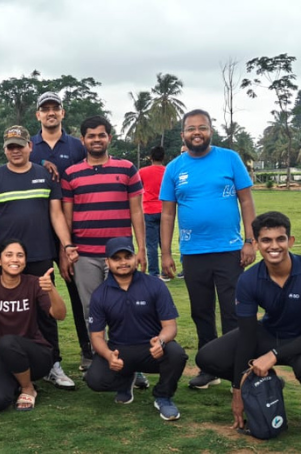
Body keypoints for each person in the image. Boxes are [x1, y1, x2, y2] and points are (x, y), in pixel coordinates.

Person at [195, 211, 301, 436]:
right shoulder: (248, 279)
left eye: (280, 239)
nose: (274, 246)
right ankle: (266, 381)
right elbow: (247, 335)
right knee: (208, 357)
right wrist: (238, 390)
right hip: (272, 332)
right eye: (266, 240)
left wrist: (273, 354)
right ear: (256, 244)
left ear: (290, 241)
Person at [159, 108, 256, 389]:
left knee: (232, 312)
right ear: (183, 134)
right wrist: (166, 253)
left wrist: (250, 241)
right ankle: (209, 367)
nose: (197, 133)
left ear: (211, 131)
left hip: (229, 250)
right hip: (193, 253)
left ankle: (238, 368)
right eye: (191, 129)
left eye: (202, 127)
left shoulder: (230, 158)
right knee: (201, 312)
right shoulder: (174, 168)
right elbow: (167, 213)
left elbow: (246, 201)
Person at [0, 125, 78, 390]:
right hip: (7, 259)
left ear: (30, 147)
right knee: (8, 310)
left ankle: (53, 364)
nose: (16, 151)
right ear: (5, 150)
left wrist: (67, 244)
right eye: (10, 147)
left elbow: (56, 214)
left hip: (40, 254)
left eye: (20, 146)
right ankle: (8, 362)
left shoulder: (45, 175)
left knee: (46, 311)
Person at [61, 115, 146, 376]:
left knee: (126, 308)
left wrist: (141, 249)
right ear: (82, 140)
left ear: (109, 137)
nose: (96, 140)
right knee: (92, 309)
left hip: (120, 255)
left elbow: (137, 211)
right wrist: (65, 251)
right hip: (85, 255)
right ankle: (102, 358)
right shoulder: (71, 174)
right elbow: (66, 217)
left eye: (101, 135)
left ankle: (133, 362)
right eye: (91, 136)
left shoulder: (127, 168)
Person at [84, 237, 187, 421]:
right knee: (95, 380)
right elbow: (97, 336)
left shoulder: (155, 285)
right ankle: (125, 380)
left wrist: (161, 341)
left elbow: (170, 326)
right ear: (107, 262)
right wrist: (109, 355)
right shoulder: (100, 294)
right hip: (120, 351)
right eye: (116, 258)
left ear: (136, 258)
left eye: (127, 256)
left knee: (176, 354)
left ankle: (163, 396)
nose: (123, 262)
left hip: (152, 348)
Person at [0, 239, 66, 411]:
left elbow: (60, 315)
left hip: (36, 355)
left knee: (8, 342)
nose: (15, 259)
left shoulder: (34, 283)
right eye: (9, 255)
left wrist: (51, 289)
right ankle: (17, 382)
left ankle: (27, 388)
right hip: (4, 355)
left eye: (20, 255)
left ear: (25, 260)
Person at [30, 91, 90, 372]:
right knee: (41, 296)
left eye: (55, 108)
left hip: (74, 232)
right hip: (39, 232)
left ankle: (88, 350)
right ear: (38, 115)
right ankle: (46, 356)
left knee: (80, 295)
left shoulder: (78, 146)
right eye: (46, 109)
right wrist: (40, 164)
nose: (51, 113)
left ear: (63, 113)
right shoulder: (29, 146)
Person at [138, 146, 167, 281]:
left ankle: (154, 273)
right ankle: (166, 271)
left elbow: (138, 189)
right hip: (164, 210)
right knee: (165, 242)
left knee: (151, 244)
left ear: (150, 157)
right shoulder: (167, 171)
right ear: (163, 157)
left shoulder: (142, 172)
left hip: (149, 209)